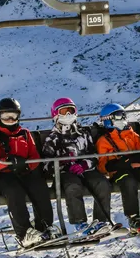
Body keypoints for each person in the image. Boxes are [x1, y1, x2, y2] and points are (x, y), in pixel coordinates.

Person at [0, 97, 54, 248]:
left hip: (24, 171)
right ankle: (24, 234)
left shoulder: (25, 134)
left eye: (13, 116)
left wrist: (27, 166)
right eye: (5, 116)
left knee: (39, 187)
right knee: (15, 192)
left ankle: (45, 226)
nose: (10, 119)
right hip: (2, 174)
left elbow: (34, 156)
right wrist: (8, 160)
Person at [39, 97, 114, 237]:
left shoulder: (83, 133)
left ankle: (100, 221)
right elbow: (47, 165)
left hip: (85, 169)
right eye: (63, 112)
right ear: (55, 115)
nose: (67, 115)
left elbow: (94, 155)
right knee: (73, 186)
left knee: (102, 183)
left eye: (70, 111)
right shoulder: (53, 138)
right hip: (65, 174)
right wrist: (63, 164)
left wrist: (85, 164)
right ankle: (79, 222)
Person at [94, 103, 140, 234]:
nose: (123, 119)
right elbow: (103, 165)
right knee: (129, 182)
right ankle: (134, 217)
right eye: (118, 116)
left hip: (137, 167)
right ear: (108, 120)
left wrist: (134, 161)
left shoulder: (132, 134)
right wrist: (127, 163)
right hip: (118, 172)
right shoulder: (104, 141)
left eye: (124, 115)